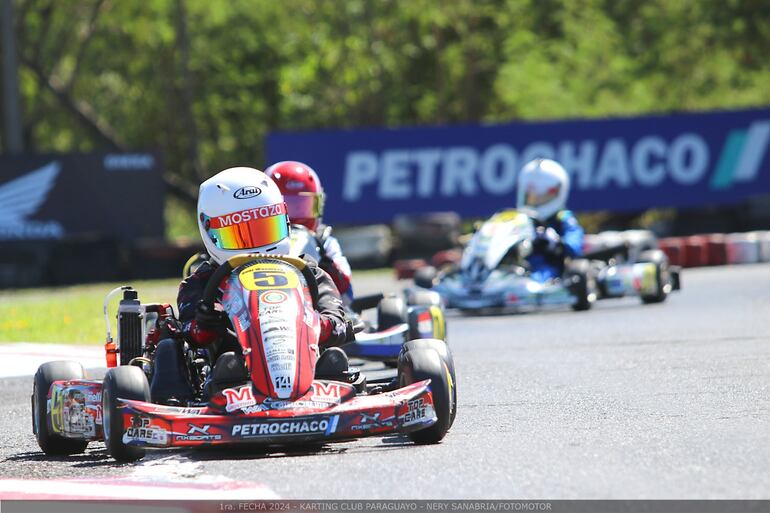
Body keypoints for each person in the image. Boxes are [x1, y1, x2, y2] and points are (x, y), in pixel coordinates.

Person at [151, 167, 351, 404]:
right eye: (240, 234)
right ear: (211, 233)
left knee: (334, 360)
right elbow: (192, 334)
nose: (257, 247)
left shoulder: (309, 272)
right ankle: (186, 396)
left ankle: (318, 382)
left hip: (310, 370)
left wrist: (318, 324)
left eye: (265, 230)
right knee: (216, 360)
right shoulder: (201, 283)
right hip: (233, 378)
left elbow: (339, 323)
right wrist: (206, 324)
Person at [264, 161, 353, 301]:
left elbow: (347, 293)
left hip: (319, 308)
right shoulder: (260, 242)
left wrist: (327, 268)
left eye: (301, 206)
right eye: (287, 208)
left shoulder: (325, 243)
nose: (294, 216)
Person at [516, 158, 584, 283]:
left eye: (539, 197)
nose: (534, 201)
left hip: (547, 265)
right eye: (530, 196)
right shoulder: (519, 220)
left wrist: (555, 242)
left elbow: (574, 246)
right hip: (517, 266)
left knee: (540, 274)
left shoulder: (563, 218)